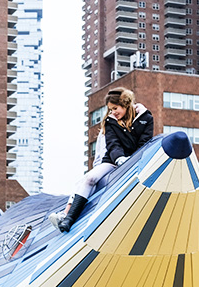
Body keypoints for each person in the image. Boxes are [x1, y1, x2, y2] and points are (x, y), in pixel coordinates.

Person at [49, 87, 154, 233]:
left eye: (115, 108)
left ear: (125, 104)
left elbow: (145, 143)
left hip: (135, 161)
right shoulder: (111, 122)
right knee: (90, 178)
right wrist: (119, 159)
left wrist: (132, 160)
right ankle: (68, 219)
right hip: (113, 160)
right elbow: (112, 144)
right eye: (110, 109)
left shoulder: (146, 119)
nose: (113, 112)